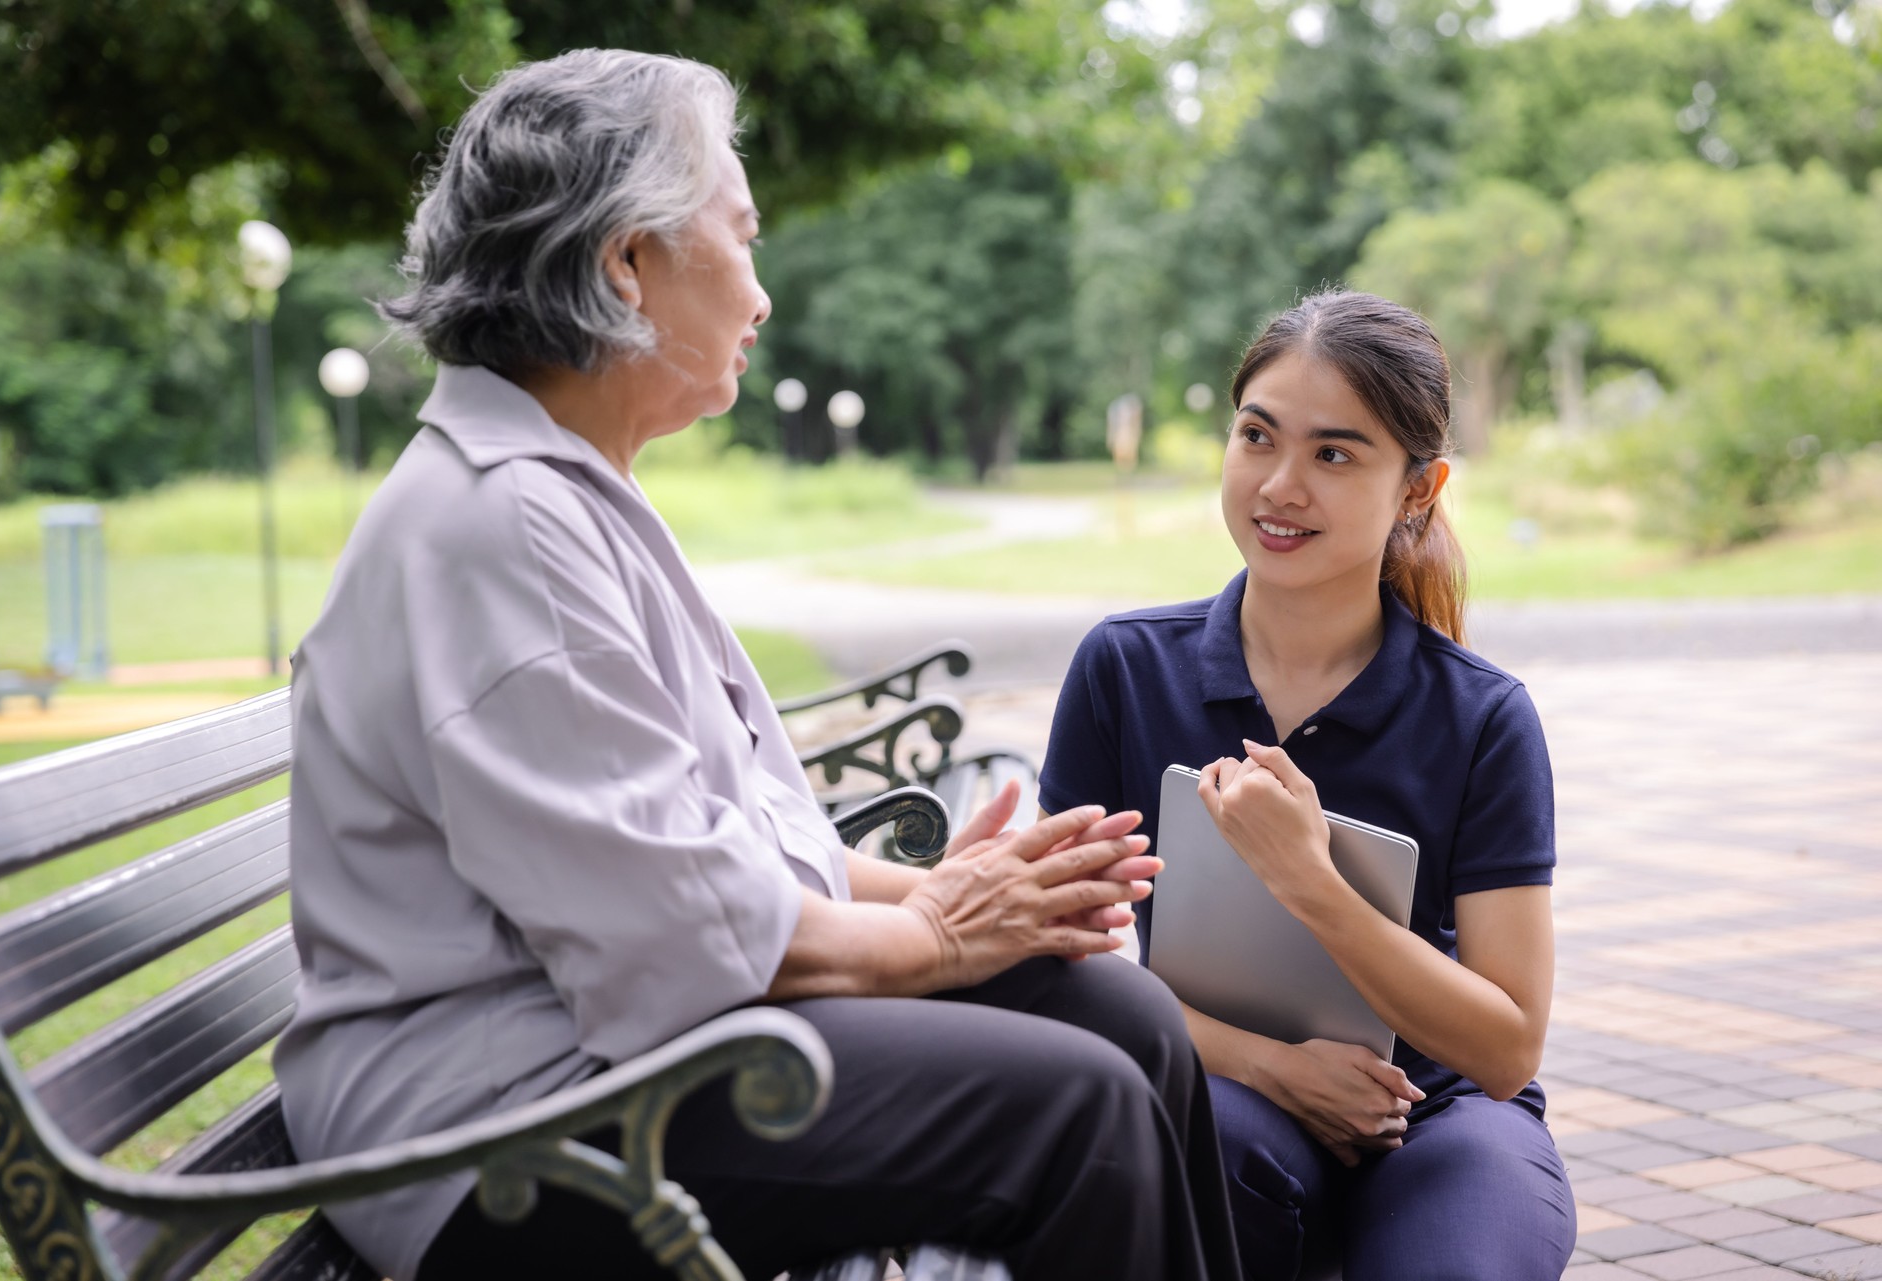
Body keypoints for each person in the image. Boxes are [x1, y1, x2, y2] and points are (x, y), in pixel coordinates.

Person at [272, 49, 1242, 1281]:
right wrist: (941, 931)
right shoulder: (502, 523)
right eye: (742, 237)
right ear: (627, 262)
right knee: (1076, 1113)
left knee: (1124, 1016)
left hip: (604, 1059)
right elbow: (676, 933)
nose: (763, 295)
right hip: (498, 1135)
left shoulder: (560, 493)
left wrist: (968, 897)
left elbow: (708, 847)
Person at [1039, 290, 1577, 1280]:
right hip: (1220, 1084)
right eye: (1257, 436)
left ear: (1419, 491)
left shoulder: (1484, 717)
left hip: (1442, 1114)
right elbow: (1052, 961)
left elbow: (1506, 1050)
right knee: (1210, 1168)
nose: (1280, 486)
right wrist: (1268, 1064)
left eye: (1335, 454)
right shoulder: (1125, 668)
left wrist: (1313, 884)